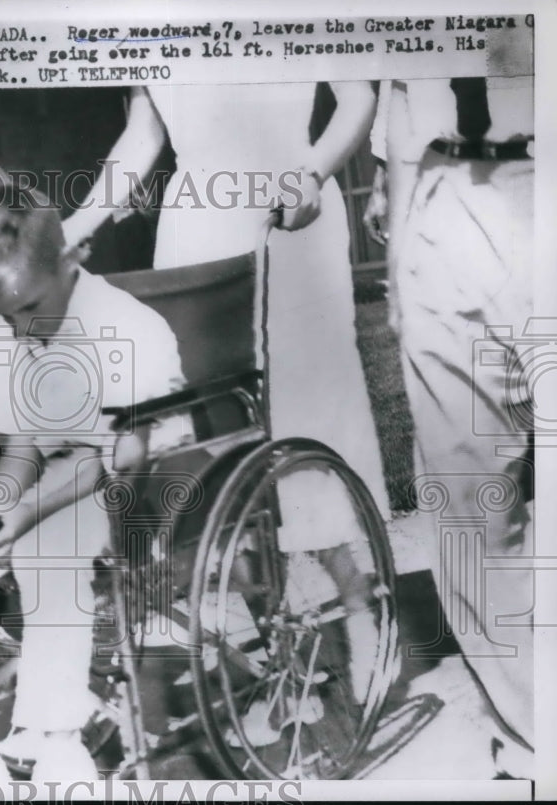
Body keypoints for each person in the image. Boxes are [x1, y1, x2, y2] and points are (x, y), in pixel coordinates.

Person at [63, 83, 390, 715]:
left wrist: (312, 173)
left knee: (308, 425)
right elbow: (144, 135)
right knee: (224, 440)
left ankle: (359, 609)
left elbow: (357, 97)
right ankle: (283, 653)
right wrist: (71, 229)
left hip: (290, 215)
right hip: (197, 228)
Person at [0, 184, 191, 781]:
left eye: (28, 309)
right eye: (5, 315)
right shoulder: (16, 330)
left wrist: (29, 512)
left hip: (142, 491)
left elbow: (120, 456)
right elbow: (23, 443)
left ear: (70, 262)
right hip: (62, 487)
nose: (18, 328)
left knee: (49, 541)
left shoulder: (123, 326)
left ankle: (57, 738)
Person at [365, 76, 535, 779]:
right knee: (467, 499)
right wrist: (401, 264)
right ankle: (533, 734)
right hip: (438, 191)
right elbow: (404, 91)